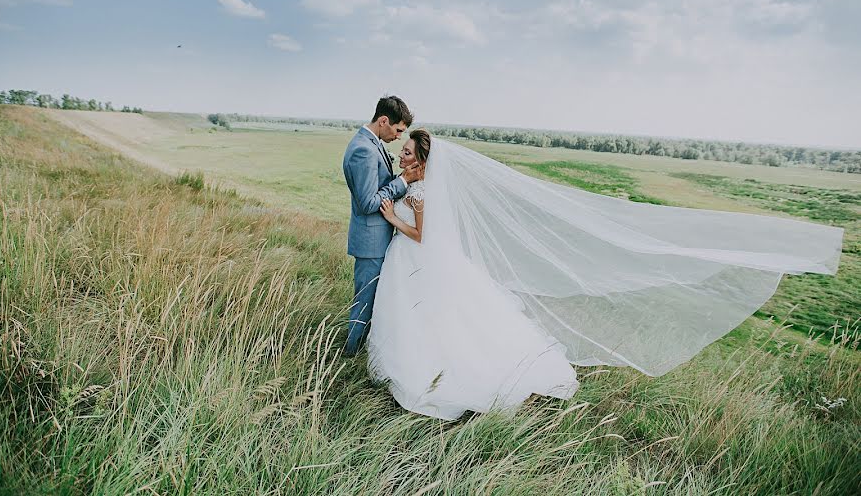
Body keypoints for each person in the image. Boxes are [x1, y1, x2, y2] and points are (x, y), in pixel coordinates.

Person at [365, 132, 844, 420]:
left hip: (422, 259)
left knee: (440, 320)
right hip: (422, 267)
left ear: (424, 158)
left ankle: (445, 375)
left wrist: (392, 218)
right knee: (433, 318)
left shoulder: (424, 191)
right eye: (402, 151)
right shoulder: (421, 183)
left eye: (409, 152)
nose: (403, 156)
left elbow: (422, 236)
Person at [342, 95, 422, 356]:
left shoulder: (371, 143)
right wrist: (401, 181)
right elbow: (367, 203)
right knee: (364, 302)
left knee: (374, 300)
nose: (399, 137)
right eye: (398, 130)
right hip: (371, 243)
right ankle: (349, 354)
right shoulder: (364, 149)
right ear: (384, 121)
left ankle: (362, 348)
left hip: (379, 240)